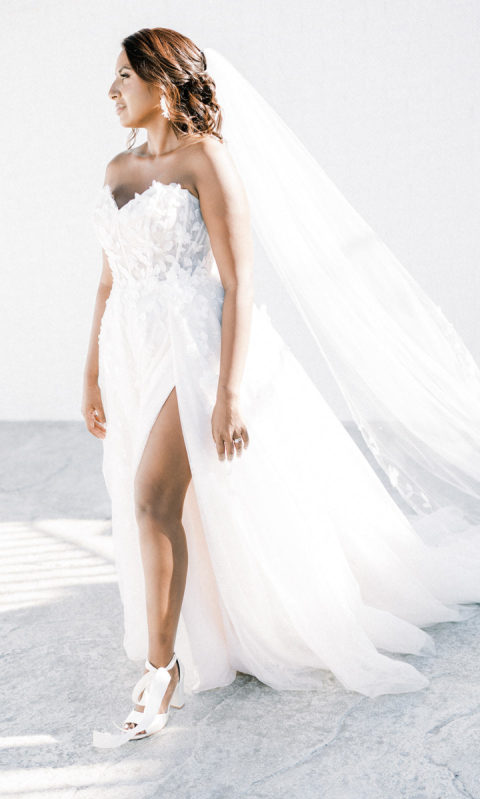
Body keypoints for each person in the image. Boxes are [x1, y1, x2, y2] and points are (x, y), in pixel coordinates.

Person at [83, 28, 480, 749]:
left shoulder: (207, 159)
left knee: (151, 499)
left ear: (163, 84)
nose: (111, 90)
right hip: (131, 351)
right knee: (167, 505)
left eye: (124, 76)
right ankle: (215, 631)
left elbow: (238, 283)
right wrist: (90, 371)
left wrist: (229, 392)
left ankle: (159, 672)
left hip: (193, 349)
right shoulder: (117, 168)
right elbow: (109, 278)